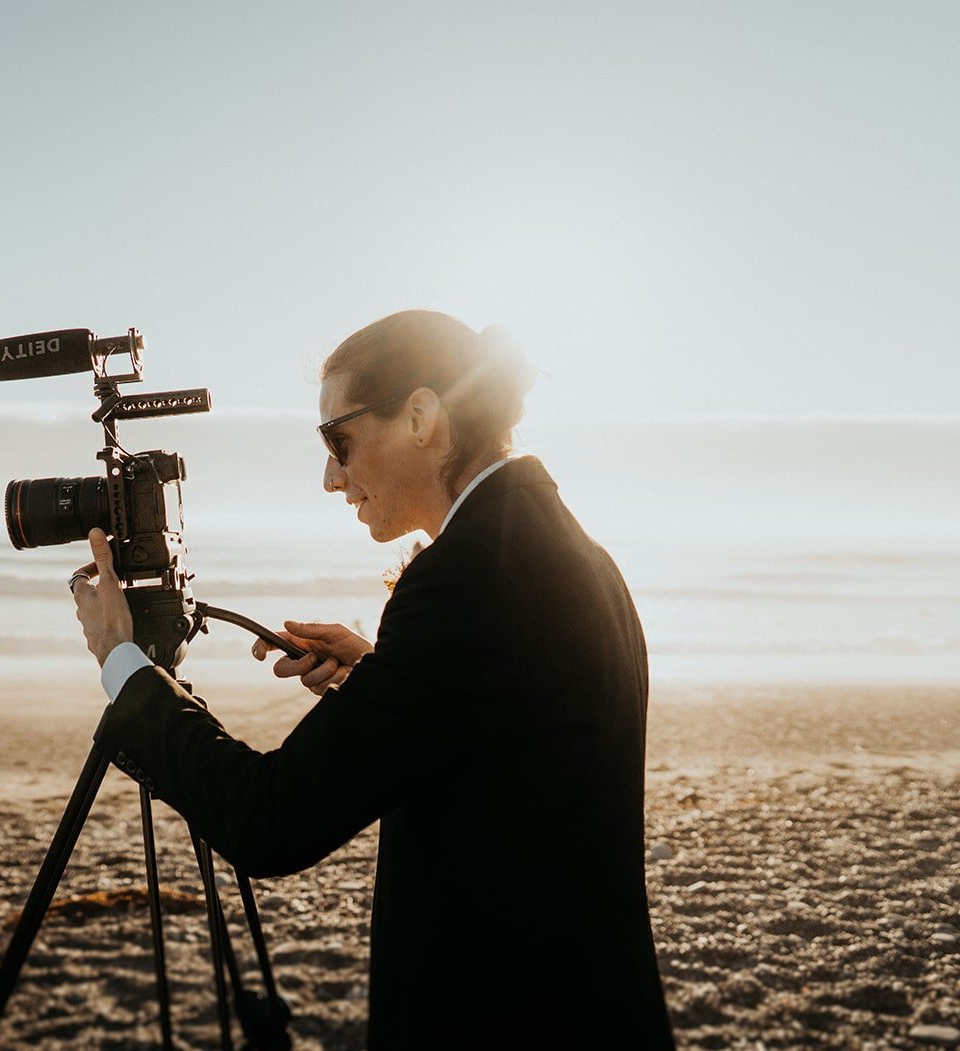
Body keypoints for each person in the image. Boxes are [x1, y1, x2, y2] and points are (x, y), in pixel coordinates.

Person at [70, 309, 676, 1049]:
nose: (330, 476)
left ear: (422, 415)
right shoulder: (565, 549)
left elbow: (271, 821)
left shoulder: (469, 580)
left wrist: (123, 664)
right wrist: (381, 679)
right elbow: (506, 735)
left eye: (339, 440)